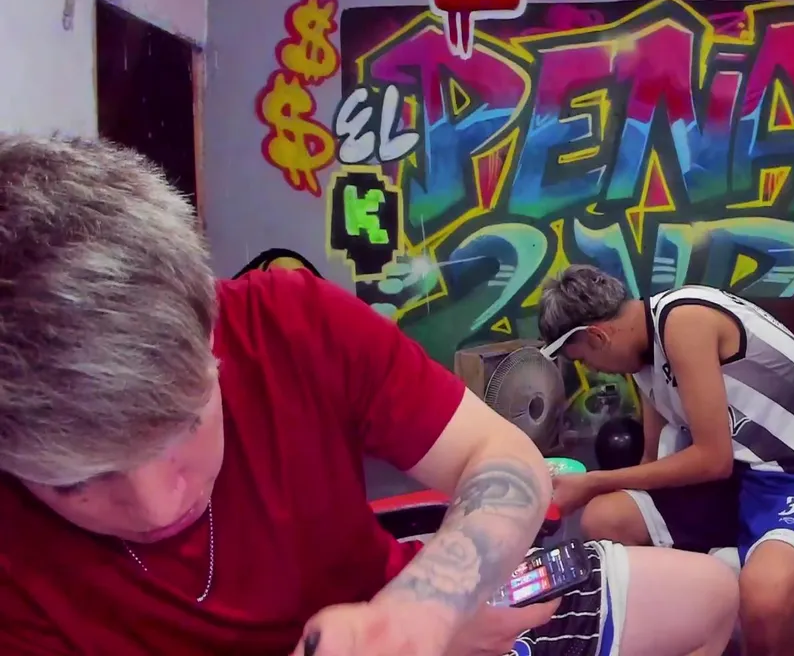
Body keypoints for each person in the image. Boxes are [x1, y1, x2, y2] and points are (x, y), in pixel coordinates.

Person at [0, 135, 739, 656]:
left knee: (709, 594)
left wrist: (427, 608)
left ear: (210, 327)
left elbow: (500, 455)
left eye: (182, 427)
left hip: (403, 613)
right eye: (77, 483)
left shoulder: (289, 323)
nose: (159, 504)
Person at [537, 266, 794, 656]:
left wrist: (591, 483)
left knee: (765, 599)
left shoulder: (684, 321)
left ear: (597, 336)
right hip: (735, 481)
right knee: (605, 519)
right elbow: (651, 460)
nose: (594, 370)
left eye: (586, 360)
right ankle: (689, 636)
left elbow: (712, 460)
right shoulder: (642, 356)